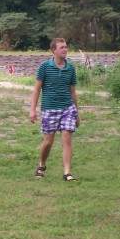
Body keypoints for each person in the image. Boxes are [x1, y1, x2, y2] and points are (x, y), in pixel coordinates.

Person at [29, 38, 80, 181]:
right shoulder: (44, 67)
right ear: (54, 50)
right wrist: (32, 110)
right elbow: (37, 89)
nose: (65, 49)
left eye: (66, 47)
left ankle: (67, 172)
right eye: (62, 47)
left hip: (68, 109)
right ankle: (42, 165)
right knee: (48, 142)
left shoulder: (71, 69)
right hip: (50, 109)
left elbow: (73, 92)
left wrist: (77, 113)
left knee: (67, 138)